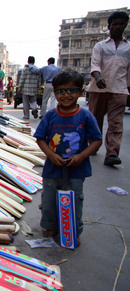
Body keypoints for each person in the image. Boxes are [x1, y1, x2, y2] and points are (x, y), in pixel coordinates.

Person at [33, 71, 102, 242]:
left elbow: (96, 140)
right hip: (52, 168)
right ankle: (50, 226)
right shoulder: (50, 115)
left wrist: (81, 156)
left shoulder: (85, 116)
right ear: (54, 93)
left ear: (81, 92)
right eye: (61, 91)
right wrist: (50, 154)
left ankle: (73, 230)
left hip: (77, 169)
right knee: (49, 199)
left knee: (75, 200)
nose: (66, 95)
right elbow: (40, 139)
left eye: (71, 90)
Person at [87, 11, 129, 167]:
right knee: (94, 120)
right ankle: (93, 145)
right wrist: (98, 78)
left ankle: (112, 153)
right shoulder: (101, 46)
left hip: (119, 89)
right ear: (109, 27)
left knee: (116, 123)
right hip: (99, 89)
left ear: (125, 25)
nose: (118, 27)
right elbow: (95, 64)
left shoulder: (128, 48)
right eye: (115, 24)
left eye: (121, 24)